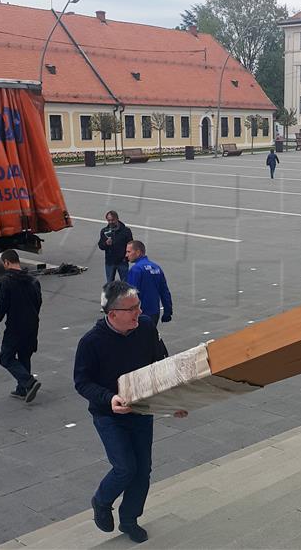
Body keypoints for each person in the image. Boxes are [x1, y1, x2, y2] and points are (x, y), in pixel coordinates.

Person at [74, 281, 187, 544]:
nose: (140, 312)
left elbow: (162, 364)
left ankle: (129, 520)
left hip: (142, 410)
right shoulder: (91, 342)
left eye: (138, 306)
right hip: (109, 414)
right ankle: (101, 501)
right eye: (132, 308)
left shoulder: (146, 327)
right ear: (112, 314)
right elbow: (82, 382)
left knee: (143, 470)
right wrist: (109, 397)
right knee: (125, 467)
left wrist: (175, 401)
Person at [0, 250, 43, 403]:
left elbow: (2, 305)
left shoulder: (7, 281)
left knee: (5, 357)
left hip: (15, 325)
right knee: (24, 355)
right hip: (32, 324)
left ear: (6, 262)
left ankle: (28, 381)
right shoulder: (33, 280)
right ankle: (22, 389)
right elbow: (39, 301)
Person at [125, 240, 173, 327]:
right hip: (154, 313)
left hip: (139, 314)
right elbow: (164, 291)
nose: (126, 255)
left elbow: (130, 295)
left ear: (138, 252)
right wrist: (167, 311)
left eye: (129, 252)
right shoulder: (156, 268)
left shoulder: (136, 270)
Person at [98, 211, 133, 283]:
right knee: (110, 283)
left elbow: (131, 245)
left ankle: (125, 294)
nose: (110, 222)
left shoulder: (126, 231)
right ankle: (111, 294)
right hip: (110, 262)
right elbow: (101, 246)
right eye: (108, 220)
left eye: (112, 220)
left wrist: (126, 258)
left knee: (125, 283)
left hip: (122, 262)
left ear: (117, 219)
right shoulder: (104, 231)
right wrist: (106, 244)